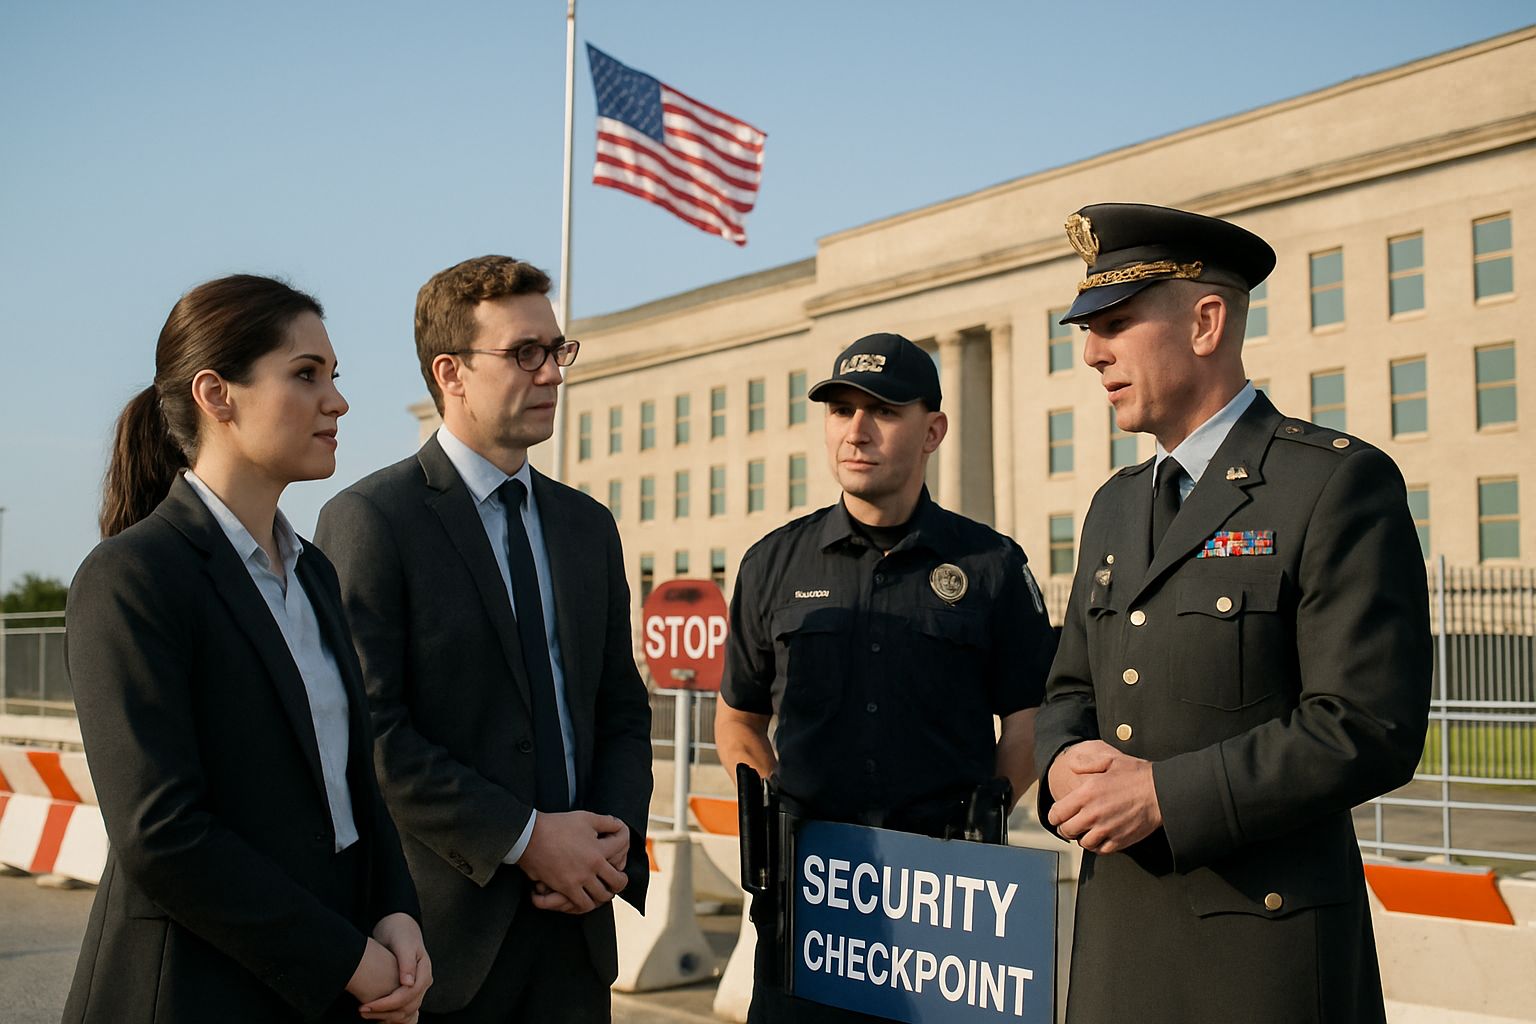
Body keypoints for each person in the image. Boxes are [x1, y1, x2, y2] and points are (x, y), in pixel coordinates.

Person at [1034, 203, 1432, 1023]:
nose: (1090, 352)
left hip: (1262, 964)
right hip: (1116, 952)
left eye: (1115, 322)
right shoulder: (1114, 507)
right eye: (1087, 327)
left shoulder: (1331, 485)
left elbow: (1366, 724)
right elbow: (1070, 686)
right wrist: (1061, 764)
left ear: (1207, 321)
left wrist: (1165, 797)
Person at [64, 275, 429, 1024]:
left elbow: (353, 782)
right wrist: (344, 957)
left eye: (334, 376)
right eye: (305, 375)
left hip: (329, 980)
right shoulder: (132, 578)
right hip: (194, 990)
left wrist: (394, 909)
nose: (338, 401)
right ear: (216, 394)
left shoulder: (316, 572)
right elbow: (160, 835)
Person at [315, 255, 653, 1023]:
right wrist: (528, 839)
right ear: (451, 372)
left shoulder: (586, 527)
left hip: (578, 932)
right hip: (444, 942)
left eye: (557, 350)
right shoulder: (373, 520)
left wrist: (607, 844)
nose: (552, 374)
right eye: (524, 353)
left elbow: (622, 709)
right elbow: (373, 733)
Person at [716, 331, 1058, 1023]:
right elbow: (739, 716)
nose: (856, 430)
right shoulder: (772, 563)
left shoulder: (992, 565)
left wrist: (988, 809)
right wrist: (771, 814)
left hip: (945, 905)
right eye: (840, 410)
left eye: (882, 411)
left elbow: (1031, 717)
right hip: (811, 896)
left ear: (932, 430)